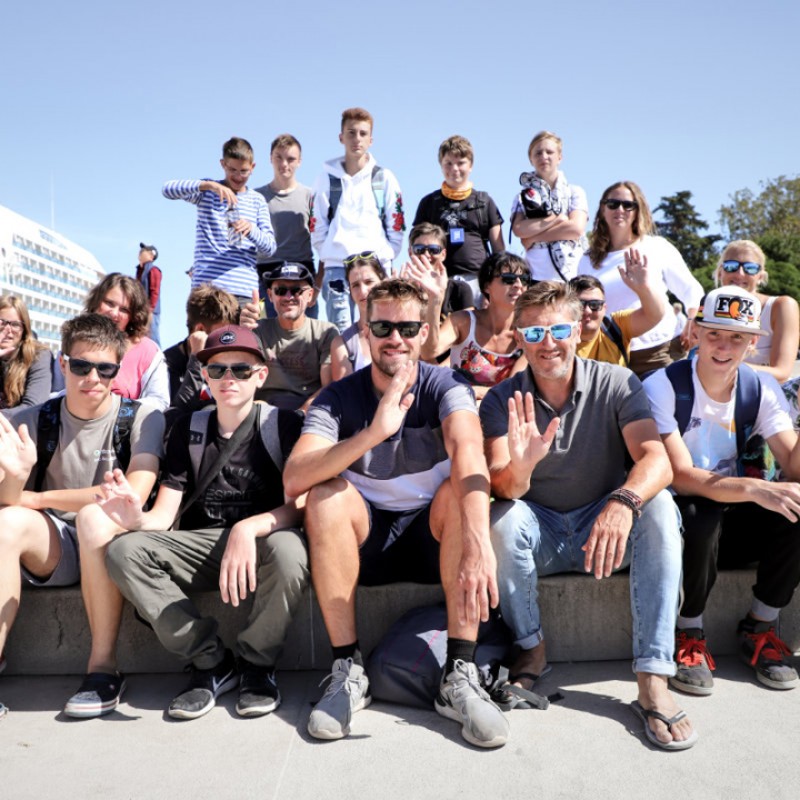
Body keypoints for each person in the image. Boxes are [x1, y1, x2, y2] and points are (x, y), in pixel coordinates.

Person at [283, 278, 509, 748]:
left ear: (425, 332)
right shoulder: (338, 397)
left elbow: (469, 453)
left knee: (458, 492)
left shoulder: (447, 385)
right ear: (365, 330)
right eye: (383, 326)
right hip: (366, 540)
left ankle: (459, 674)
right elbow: (295, 478)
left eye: (407, 327)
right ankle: (348, 672)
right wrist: (374, 432)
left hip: (432, 536)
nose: (395, 339)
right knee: (325, 496)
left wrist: (479, 543)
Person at [480, 281, 696, 751]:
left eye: (558, 329)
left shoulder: (617, 382)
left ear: (578, 330)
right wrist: (522, 467)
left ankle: (652, 676)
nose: (548, 343)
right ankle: (531, 649)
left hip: (605, 529)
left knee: (660, 506)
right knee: (502, 518)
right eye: (533, 333)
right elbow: (501, 486)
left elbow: (657, 461)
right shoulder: (501, 399)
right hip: (540, 532)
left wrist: (623, 501)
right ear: (518, 338)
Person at [102, 325, 308, 720]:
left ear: (261, 375)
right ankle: (211, 661)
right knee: (123, 550)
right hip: (203, 546)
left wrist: (248, 528)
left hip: (263, 540)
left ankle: (257, 664)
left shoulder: (283, 425)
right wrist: (136, 518)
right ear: (205, 377)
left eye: (241, 370)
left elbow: (299, 507)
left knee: (291, 549)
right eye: (217, 370)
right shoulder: (189, 428)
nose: (228, 378)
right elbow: (165, 514)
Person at [0, 313, 164, 718]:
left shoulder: (142, 417)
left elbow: (131, 495)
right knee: (6, 524)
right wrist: (16, 479)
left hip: (114, 540)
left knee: (94, 517)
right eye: (81, 366)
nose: (93, 377)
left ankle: (102, 669)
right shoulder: (29, 420)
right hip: (56, 543)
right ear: (63, 364)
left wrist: (38, 496)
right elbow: (9, 502)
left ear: (118, 370)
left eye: (105, 369)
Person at [643, 285, 800, 697]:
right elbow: (680, 475)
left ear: (752, 344)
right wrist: (756, 487)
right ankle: (689, 631)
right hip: (678, 520)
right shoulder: (663, 385)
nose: (724, 346)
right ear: (695, 332)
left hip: (731, 514)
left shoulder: (759, 387)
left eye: (737, 337)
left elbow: (793, 466)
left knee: (795, 505)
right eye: (714, 333)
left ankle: (759, 625)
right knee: (702, 514)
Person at [578, 181, 704, 376]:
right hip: (610, 356)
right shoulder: (588, 259)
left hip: (659, 352)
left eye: (628, 205)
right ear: (602, 209)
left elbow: (691, 290)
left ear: (638, 210)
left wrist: (693, 319)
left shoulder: (656, 247)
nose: (620, 209)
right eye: (613, 204)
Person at [310, 107, 405, 332]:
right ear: (341, 137)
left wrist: (386, 255)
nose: (357, 139)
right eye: (351, 133)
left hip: (375, 268)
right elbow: (316, 224)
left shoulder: (384, 178)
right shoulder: (325, 179)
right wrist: (330, 251)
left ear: (371, 140)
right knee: (341, 333)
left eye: (363, 133)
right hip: (336, 268)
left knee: (377, 329)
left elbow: (396, 223)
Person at [162, 136, 276, 305]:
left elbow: (270, 248)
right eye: (232, 170)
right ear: (223, 164)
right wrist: (208, 185)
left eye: (243, 171)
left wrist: (251, 230)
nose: (238, 176)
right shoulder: (207, 191)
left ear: (252, 167)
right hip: (206, 290)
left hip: (243, 292)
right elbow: (167, 190)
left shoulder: (257, 200)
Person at [405, 252, 529, 403]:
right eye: (508, 279)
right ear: (487, 286)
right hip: (456, 406)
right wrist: (435, 300)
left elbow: (513, 390)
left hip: (501, 410)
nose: (518, 285)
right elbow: (429, 352)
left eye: (524, 279)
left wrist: (474, 391)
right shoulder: (463, 321)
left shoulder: (528, 333)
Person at [413, 135, 504, 307]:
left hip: (478, 281)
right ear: (441, 165)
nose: (454, 168)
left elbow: (499, 252)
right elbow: (416, 246)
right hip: (439, 280)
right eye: (448, 163)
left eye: (461, 163)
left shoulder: (484, 201)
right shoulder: (428, 203)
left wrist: (492, 290)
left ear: (471, 165)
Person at [239, 263, 337, 411]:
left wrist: (301, 413)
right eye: (280, 290)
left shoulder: (326, 332)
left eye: (297, 290)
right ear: (270, 295)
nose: (288, 297)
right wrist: (242, 334)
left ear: (310, 295)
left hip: (309, 412)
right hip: (263, 411)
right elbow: (240, 377)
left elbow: (328, 387)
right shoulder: (256, 330)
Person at [714, 240, 799, 383]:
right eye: (731, 266)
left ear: (760, 276)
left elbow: (782, 372)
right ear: (720, 273)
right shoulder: (708, 307)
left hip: (768, 392)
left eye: (750, 268)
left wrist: (721, 367)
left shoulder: (781, 306)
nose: (740, 274)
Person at [510, 131, 588, 283]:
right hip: (536, 277)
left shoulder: (575, 192)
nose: (544, 157)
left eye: (549, 152)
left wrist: (533, 238)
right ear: (531, 159)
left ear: (560, 157)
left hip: (572, 275)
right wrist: (557, 219)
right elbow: (519, 229)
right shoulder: (522, 197)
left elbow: (575, 229)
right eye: (538, 153)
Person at [84, 273, 170, 412]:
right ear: (97, 302)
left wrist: (116, 409)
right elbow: (57, 393)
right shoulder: (75, 341)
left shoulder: (149, 351)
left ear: (133, 316)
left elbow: (160, 400)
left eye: (124, 309)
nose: (114, 313)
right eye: (109, 303)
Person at [254, 134, 317, 318]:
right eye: (278, 158)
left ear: (299, 161)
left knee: (305, 333)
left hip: (302, 276)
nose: (284, 164)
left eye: (290, 159)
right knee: (263, 332)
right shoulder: (256, 197)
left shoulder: (310, 196)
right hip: (264, 277)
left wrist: (319, 284)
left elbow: (323, 239)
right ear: (270, 158)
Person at [568, 250, 664, 367]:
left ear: (604, 308)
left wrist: (643, 288)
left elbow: (655, 315)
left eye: (595, 305)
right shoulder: (555, 336)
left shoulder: (616, 326)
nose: (587, 311)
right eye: (580, 305)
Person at [163, 284, 239, 406]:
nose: (225, 341)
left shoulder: (227, 359)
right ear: (200, 330)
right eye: (221, 334)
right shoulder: (167, 363)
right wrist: (196, 358)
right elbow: (178, 411)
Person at [329, 253, 386, 380]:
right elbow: (345, 390)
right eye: (355, 285)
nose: (363, 291)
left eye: (368, 282)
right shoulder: (342, 344)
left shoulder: (405, 330)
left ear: (383, 282)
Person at [0, 295, 52, 416]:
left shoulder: (39, 355)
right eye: (2, 322)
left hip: (21, 426)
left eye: (15, 324)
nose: (7, 330)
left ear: (24, 329)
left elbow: (34, 406)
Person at [136, 243, 162, 346]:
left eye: (144, 250)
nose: (141, 252)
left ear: (151, 255)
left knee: (153, 338)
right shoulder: (140, 271)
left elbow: (155, 291)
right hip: (140, 310)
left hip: (150, 311)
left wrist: (150, 309)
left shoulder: (154, 270)